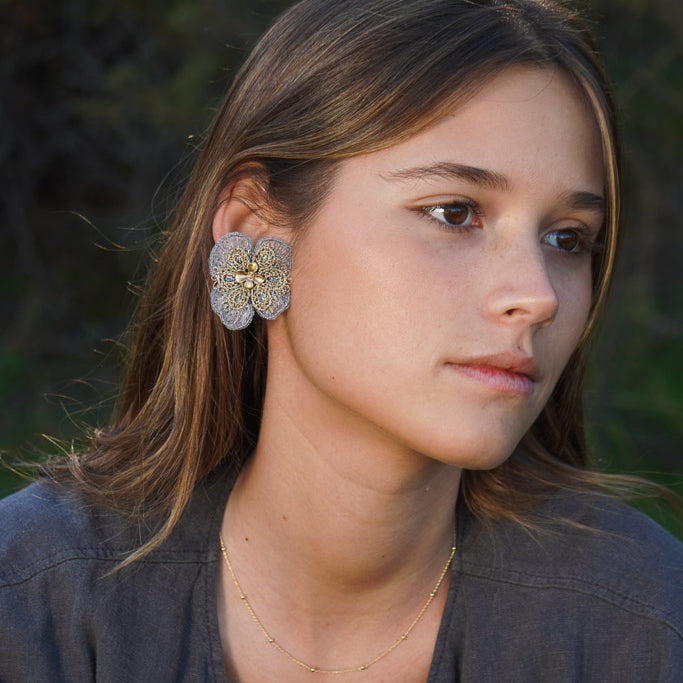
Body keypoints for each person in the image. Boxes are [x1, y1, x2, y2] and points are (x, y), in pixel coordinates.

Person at [1, 0, 681, 680]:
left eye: (567, 239)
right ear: (255, 230)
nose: (538, 295)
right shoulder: (33, 605)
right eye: (454, 213)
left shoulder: (642, 628)